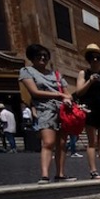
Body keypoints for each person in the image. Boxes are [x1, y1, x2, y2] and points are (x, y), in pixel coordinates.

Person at [19, 43, 76, 183]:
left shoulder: (55, 74)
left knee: (62, 143)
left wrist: (68, 99)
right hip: (45, 109)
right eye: (39, 55)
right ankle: (45, 175)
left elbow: (67, 93)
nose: (43, 58)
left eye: (45, 55)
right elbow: (34, 92)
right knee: (48, 142)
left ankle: (60, 174)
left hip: (62, 110)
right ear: (32, 57)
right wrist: (58, 95)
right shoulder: (27, 71)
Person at [75, 43, 100, 179]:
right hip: (89, 107)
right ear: (88, 59)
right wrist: (90, 81)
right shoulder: (84, 73)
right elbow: (79, 92)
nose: (95, 60)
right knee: (92, 140)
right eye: (92, 58)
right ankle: (93, 171)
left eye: (98, 58)